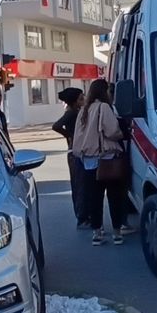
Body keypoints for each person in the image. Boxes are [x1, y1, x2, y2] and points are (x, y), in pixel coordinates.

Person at [72, 79, 130, 246]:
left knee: (94, 198)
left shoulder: (84, 109)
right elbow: (112, 131)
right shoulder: (104, 107)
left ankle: (97, 232)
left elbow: (78, 136)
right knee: (114, 197)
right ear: (105, 92)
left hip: (89, 160)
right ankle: (117, 232)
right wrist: (121, 134)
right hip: (107, 159)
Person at [52, 87, 89, 229]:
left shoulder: (77, 112)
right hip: (74, 153)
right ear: (74, 101)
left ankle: (84, 215)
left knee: (82, 185)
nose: (83, 100)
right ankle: (82, 216)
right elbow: (56, 126)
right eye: (81, 98)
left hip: (78, 151)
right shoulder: (72, 113)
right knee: (79, 185)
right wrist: (69, 135)